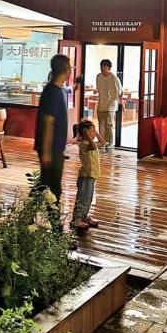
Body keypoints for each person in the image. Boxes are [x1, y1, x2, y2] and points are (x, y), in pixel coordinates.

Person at [35, 54, 71, 201]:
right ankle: (52, 217)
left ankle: (30, 212)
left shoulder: (58, 90)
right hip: (52, 148)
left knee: (45, 183)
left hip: (55, 147)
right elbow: (48, 122)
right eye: (69, 67)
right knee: (53, 187)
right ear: (65, 69)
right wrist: (46, 152)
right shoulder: (53, 92)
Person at [71, 119, 104, 232]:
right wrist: (87, 135)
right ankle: (76, 220)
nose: (94, 133)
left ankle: (84, 217)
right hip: (86, 175)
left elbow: (103, 142)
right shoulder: (83, 144)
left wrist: (95, 133)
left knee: (88, 198)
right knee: (82, 198)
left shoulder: (90, 143)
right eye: (93, 131)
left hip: (92, 175)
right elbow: (94, 147)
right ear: (86, 133)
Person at [96, 59, 123, 150]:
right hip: (101, 104)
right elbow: (99, 89)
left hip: (110, 106)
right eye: (101, 66)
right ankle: (102, 141)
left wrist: (118, 101)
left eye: (104, 66)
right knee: (101, 124)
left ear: (109, 68)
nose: (102, 68)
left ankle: (111, 142)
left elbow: (120, 91)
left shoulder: (114, 78)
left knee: (109, 125)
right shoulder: (99, 76)